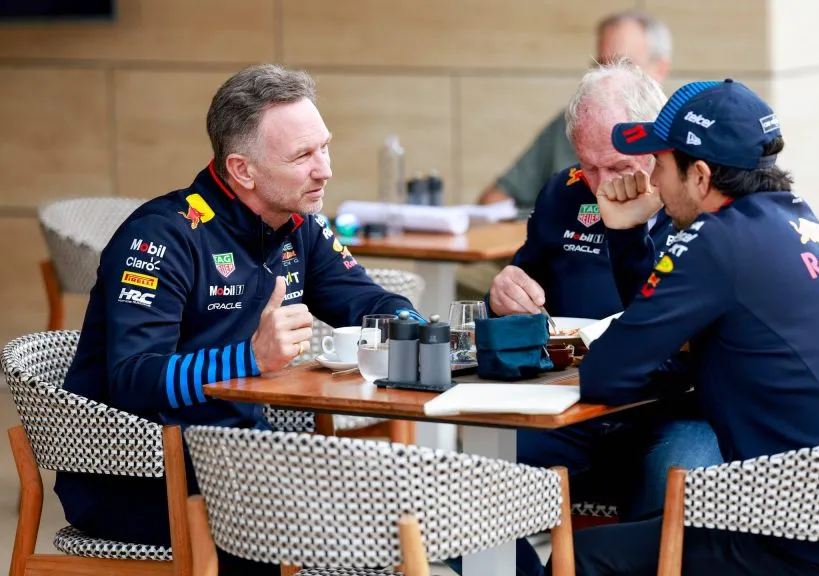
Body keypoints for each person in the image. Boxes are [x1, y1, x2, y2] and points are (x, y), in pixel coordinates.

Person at [544, 79, 819, 574]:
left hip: (815, 545)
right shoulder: (800, 224)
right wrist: (628, 238)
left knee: (574, 560)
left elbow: (606, 374)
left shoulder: (718, 240)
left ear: (700, 177)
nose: (654, 185)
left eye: (660, 167)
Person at [55, 64, 417, 575]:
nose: (325, 169)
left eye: (324, 147)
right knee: (369, 521)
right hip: (137, 476)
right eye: (303, 156)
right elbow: (132, 380)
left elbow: (367, 301)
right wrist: (249, 358)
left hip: (243, 461)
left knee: (431, 503)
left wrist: (421, 330)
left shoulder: (300, 225)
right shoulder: (161, 237)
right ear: (243, 169)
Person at [466, 61, 722, 576]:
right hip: (572, 400)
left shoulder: (700, 203)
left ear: (655, 142)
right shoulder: (565, 193)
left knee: (680, 493)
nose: (602, 183)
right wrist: (505, 291)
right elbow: (527, 273)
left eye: (615, 163)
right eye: (589, 165)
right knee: (462, 487)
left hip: (677, 409)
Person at [477, 10, 673, 209]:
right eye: (602, 65)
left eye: (625, 65)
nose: (611, 75)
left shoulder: (681, 133)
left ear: (660, 69)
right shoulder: (573, 122)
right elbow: (494, 200)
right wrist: (550, 222)